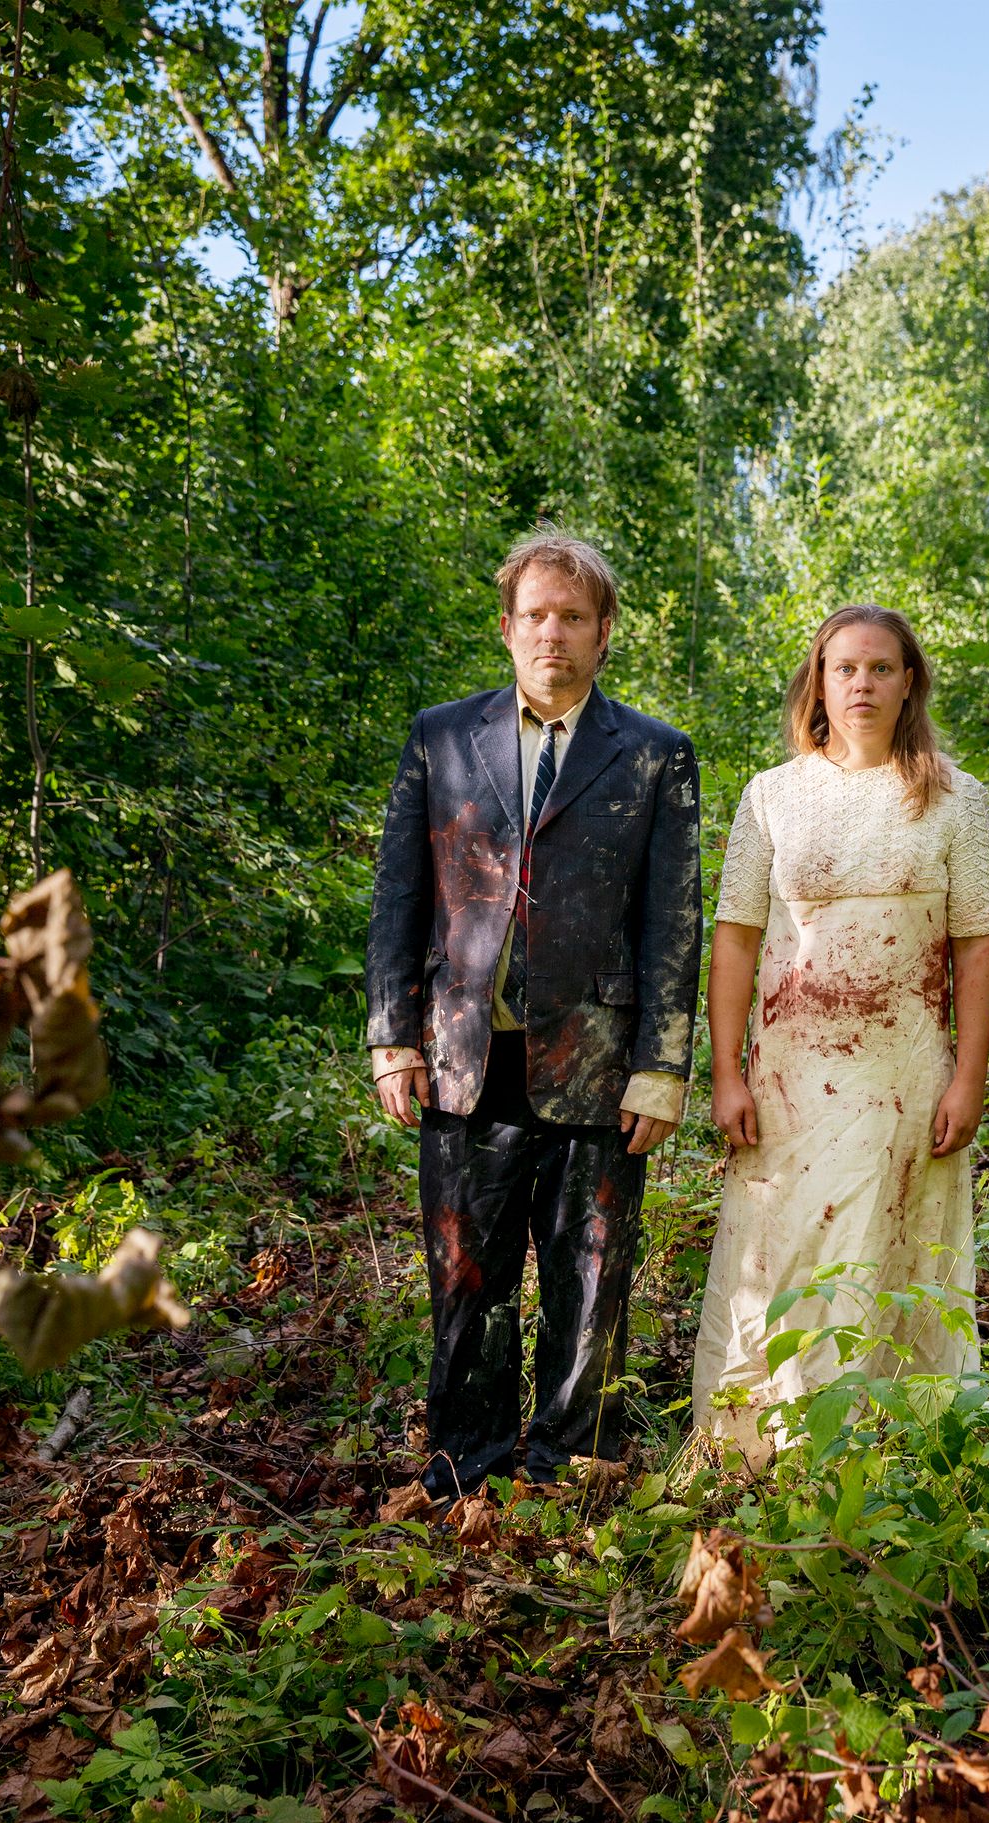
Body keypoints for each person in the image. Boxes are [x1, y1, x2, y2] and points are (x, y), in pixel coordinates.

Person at [366, 530, 701, 1503]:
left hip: (599, 1056)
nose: (554, 632)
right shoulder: (441, 738)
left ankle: (567, 1471)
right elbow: (399, 897)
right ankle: (465, 1468)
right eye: (537, 615)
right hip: (466, 1052)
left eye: (574, 616)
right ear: (507, 628)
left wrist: (663, 1065)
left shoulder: (655, 756)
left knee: (588, 1277)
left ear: (605, 632)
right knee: (467, 1275)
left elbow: (672, 920)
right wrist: (392, 1036)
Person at [692, 603, 989, 1467]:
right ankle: (762, 1450)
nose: (862, 683)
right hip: (789, 1078)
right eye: (845, 668)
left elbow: (977, 946)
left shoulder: (956, 799)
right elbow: (735, 939)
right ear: (819, 684)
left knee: (881, 1254)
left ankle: (881, 1455)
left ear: (909, 683)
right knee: (783, 1250)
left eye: (881, 668)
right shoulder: (773, 795)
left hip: (903, 1076)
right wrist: (726, 1072)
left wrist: (968, 1077)